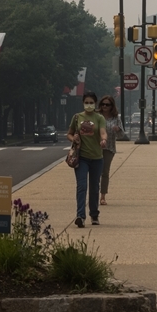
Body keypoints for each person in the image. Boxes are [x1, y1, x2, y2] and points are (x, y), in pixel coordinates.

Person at [67, 91, 107, 227]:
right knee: (82, 186)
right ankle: (80, 216)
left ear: (95, 104)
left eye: (91, 103)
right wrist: (74, 139)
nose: (89, 105)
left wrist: (103, 140)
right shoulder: (77, 117)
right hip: (81, 157)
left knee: (95, 187)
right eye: (86, 102)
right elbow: (69, 134)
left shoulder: (99, 118)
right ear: (83, 103)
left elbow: (103, 132)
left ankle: (94, 214)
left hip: (97, 158)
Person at [98, 95, 124, 206]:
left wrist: (118, 129)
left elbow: (122, 135)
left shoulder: (116, 118)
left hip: (109, 148)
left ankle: (103, 195)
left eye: (107, 104)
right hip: (95, 147)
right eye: (103, 104)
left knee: (105, 172)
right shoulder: (97, 116)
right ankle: (94, 194)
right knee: (95, 172)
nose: (105, 106)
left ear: (111, 106)